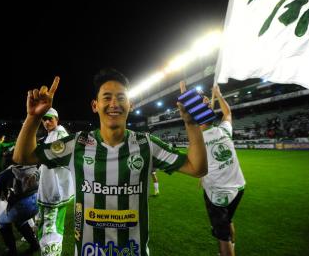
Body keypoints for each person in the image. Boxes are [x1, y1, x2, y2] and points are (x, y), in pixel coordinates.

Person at [13, 69, 207, 256]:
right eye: (107, 97)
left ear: (130, 105)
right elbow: (23, 156)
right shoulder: (76, 144)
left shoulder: (146, 145)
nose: (114, 103)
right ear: (94, 105)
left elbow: (197, 168)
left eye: (121, 98)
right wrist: (34, 117)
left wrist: (191, 123)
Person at [199, 85, 246, 256]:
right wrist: (218, 94)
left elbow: (197, 167)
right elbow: (228, 114)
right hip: (239, 187)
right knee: (228, 221)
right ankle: (231, 247)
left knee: (222, 236)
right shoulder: (224, 130)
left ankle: (227, 249)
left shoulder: (198, 141)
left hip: (218, 194)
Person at [36, 107, 74, 255]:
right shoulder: (53, 134)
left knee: (50, 230)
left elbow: (55, 159)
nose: (46, 122)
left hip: (54, 192)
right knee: (48, 226)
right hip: (51, 189)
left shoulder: (60, 134)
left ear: (56, 119)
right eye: (43, 119)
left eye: (49, 118)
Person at [0, 165, 40, 256]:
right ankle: (34, 245)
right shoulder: (33, 167)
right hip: (37, 204)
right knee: (20, 222)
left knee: (1, 222)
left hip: (22, 207)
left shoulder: (6, 173)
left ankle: (12, 251)